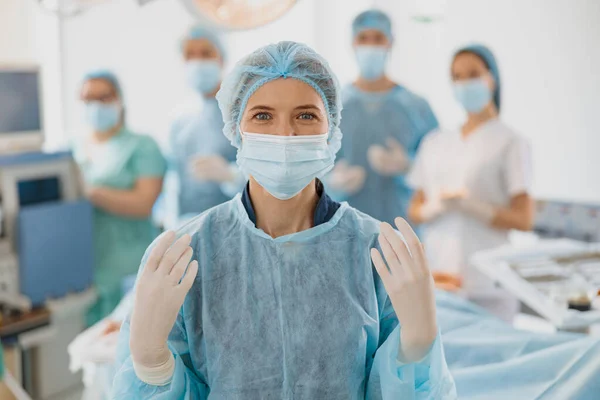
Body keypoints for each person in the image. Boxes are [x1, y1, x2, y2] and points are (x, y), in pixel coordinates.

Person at [111, 42, 456, 399]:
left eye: (306, 116)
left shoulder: (377, 254)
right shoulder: (188, 255)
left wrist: (415, 350)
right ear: (235, 127)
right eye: (262, 116)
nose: (284, 135)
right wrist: (152, 365)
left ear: (331, 128)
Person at [407, 44, 535, 321]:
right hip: (440, 280)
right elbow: (414, 209)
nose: (465, 83)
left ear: (492, 78)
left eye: (473, 74)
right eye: (457, 76)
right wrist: (436, 207)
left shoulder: (511, 142)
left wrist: (472, 207)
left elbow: (524, 219)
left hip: (489, 284)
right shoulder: (435, 142)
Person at [327, 9, 439, 223]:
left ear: (390, 43)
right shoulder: (332, 107)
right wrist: (329, 182)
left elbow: (442, 169)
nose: (370, 45)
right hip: (343, 228)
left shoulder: (417, 107)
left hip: (403, 228)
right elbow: (310, 165)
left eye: (378, 38)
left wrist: (410, 167)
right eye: (363, 38)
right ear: (352, 43)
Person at [75, 70, 167, 325]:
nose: (95, 105)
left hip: (128, 269)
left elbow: (144, 203)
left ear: (119, 100)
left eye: (103, 98)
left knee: (128, 348)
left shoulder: (142, 145)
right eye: (88, 99)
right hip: (86, 274)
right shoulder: (73, 147)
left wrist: (93, 193)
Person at [166, 25, 240, 225]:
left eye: (206, 53)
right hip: (189, 226)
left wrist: (232, 176)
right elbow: (174, 184)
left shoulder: (241, 111)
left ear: (221, 59)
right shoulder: (181, 123)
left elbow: (268, 177)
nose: (197, 62)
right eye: (190, 55)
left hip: (236, 225)